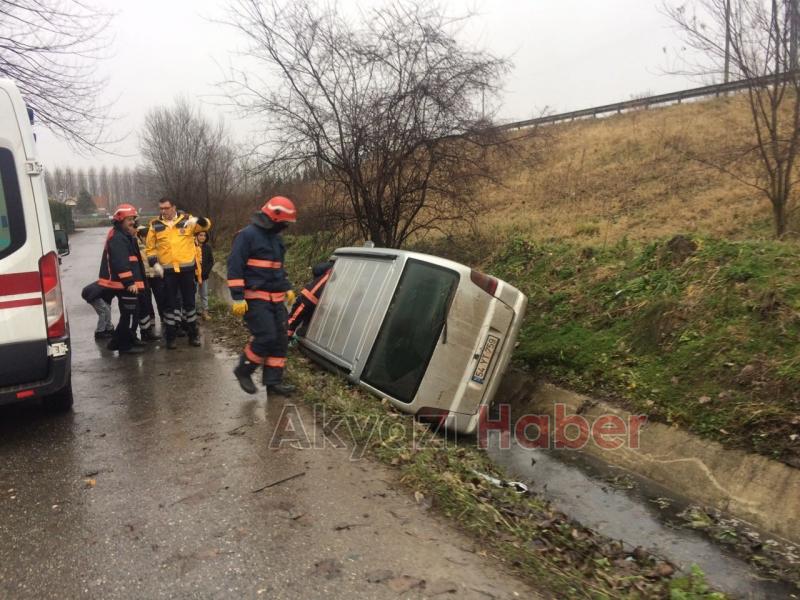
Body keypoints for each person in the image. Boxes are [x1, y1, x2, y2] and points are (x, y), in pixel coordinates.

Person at [227, 196, 297, 396]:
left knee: (280, 340)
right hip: (255, 298)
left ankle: (273, 383)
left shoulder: (276, 239)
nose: (286, 226)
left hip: (275, 299)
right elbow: (235, 266)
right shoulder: (247, 236)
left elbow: (278, 268)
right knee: (266, 336)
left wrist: (287, 287)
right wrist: (238, 297)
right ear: (274, 218)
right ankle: (244, 370)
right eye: (285, 222)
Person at [145, 197, 211, 349]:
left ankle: (193, 335)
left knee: (189, 303)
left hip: (186, 270)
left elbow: (206, 226)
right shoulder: (155, 225)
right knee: (170, 304)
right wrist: (154, 263)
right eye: (161, 208)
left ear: (174, 207)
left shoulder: (187, 221)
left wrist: (200, 220)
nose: (163, 211)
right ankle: (170, 337)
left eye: (166, 208)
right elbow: (150, 247)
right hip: (167, 272)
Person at [97, 204, 146, 354]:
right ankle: (125, 346)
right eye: (129, 219)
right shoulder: (118, 238)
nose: (132, 222)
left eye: (133, 219)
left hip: (126, 283)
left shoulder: (123, 235)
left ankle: (117, 341)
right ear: (120, 220)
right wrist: (129, 282)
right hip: (125, 284)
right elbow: (121, 262)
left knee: (133, 313)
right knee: (129, 315)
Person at [286, 260, 334, 339]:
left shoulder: (332, 266)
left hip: (308, 298)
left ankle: (282, 340)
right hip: (314, 302)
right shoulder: (341, 270)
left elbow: (316, 269)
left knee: (293, 321)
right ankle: (286, 340)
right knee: (303, 322)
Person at [135, 225, 160, 342]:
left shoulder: (155, 245)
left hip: (156, 275)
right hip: (145, 276)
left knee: (160, 298)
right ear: (140, 236)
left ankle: (163, 319)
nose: (147, 239)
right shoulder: (137, 245)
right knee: (147, 300)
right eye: (145, 237)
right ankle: (151, 321)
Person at [195, 230, 214, 320]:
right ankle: (193, 313)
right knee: (193, 295)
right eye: (200, 235)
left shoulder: (207, 248)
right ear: (196, 236)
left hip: (204, 276)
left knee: (204, 294)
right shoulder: (192, 247)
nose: (202, 237)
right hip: (194, 276)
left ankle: (205, 312)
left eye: (204, 235)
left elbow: (211, 261)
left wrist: (205, 272)